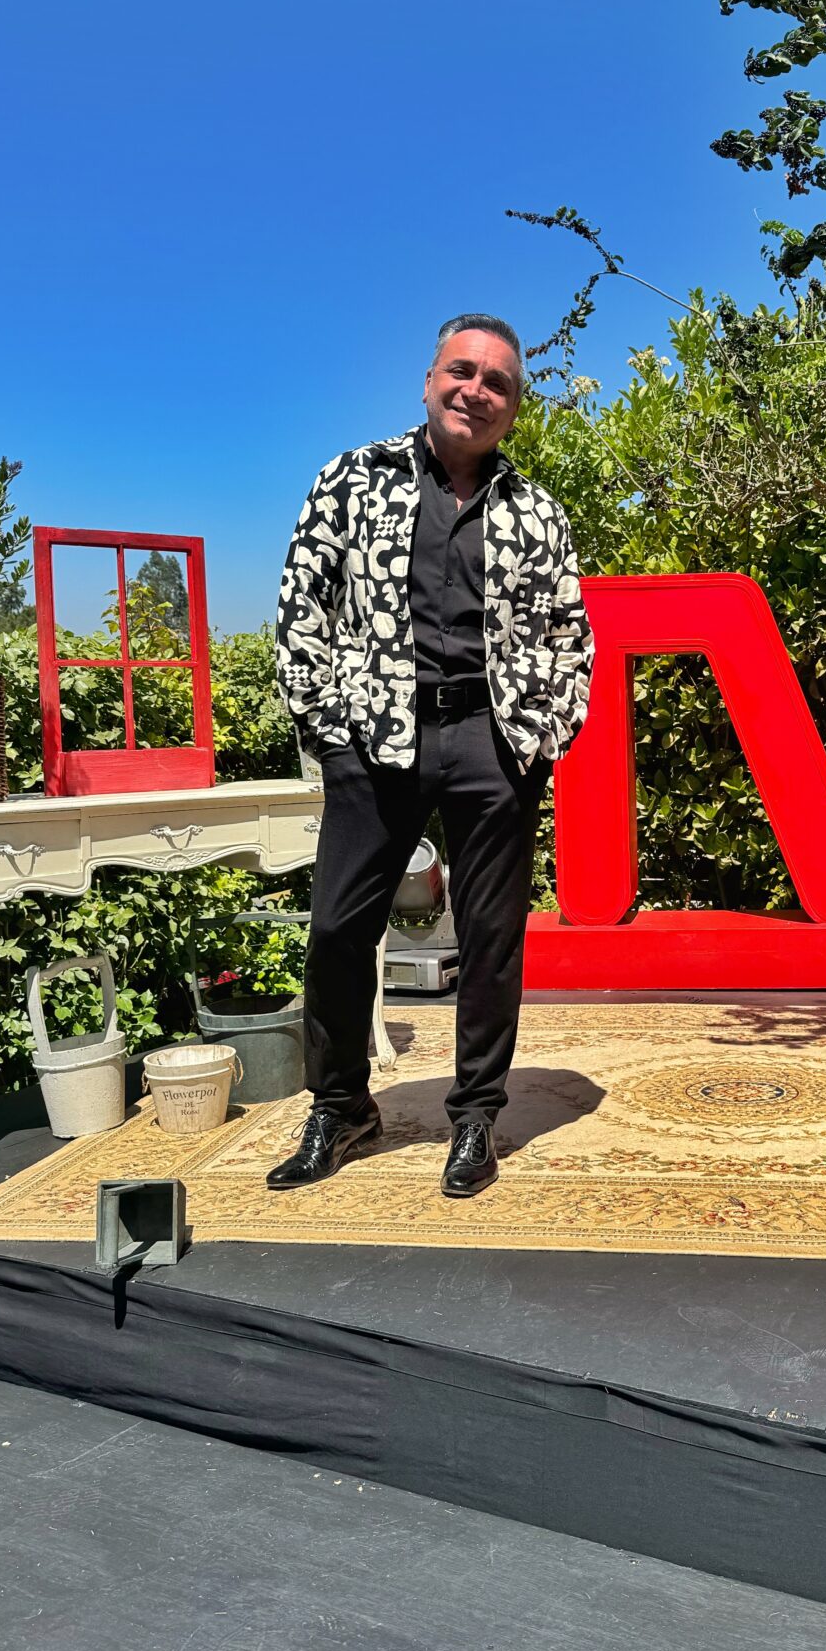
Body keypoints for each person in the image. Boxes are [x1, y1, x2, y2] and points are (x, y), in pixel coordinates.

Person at [268, 313, 594, 1196]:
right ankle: (341, 1106)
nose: (476, 391)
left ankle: (476, 1114)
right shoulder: (351, 480)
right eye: (462, 371)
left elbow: (571, 634)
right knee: (338, 928)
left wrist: (542, 737)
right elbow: (301, 608)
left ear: (513, 407)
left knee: (491, 938)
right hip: (374, 738)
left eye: (497, 383)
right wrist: (328, 730)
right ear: (428, 381)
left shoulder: (536, 512)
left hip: (493, 741)